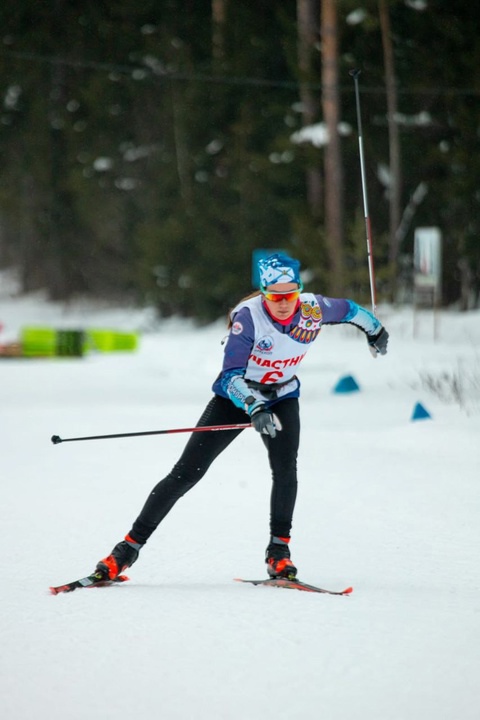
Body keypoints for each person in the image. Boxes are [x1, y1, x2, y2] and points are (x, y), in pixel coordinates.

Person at [95, 253, 389, 581]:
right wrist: (254, 407)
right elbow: (229, 375)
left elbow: (350, 311)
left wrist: (375, 330)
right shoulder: (247, 319)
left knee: (285, 471)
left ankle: (279, 553)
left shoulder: (311, 308)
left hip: (281, 396)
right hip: (236, 397)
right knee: (185, 474)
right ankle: (125, 551)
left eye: (289, 295)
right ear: (264, 292)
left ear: (299, 291)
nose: (282, 303)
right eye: (275, 296)